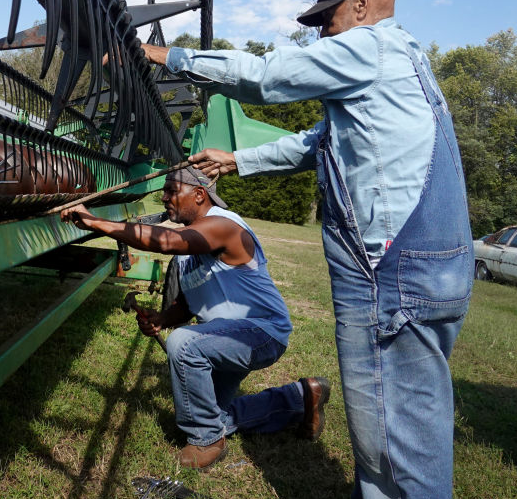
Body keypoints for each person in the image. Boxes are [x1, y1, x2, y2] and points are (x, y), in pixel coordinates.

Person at [141, 0, 473, 499]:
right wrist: (238, 162)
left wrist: (163, 55)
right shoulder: (408, 59)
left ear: (362, 5)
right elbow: (319, 143)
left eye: (326, 19)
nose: (322, 33)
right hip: (430, 270)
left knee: (395, 440)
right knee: (407, 422)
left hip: (392, 278)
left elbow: (266, 76)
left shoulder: (368, 47)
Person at [60, 166, 330, 470]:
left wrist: (97, 223)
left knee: (184, 344)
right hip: (225, 334)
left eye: (171, 191)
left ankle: (206, 440)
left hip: (261, 332)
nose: (163, 198)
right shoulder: (189, 255)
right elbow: (190, 302)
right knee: (217, 415)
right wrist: (162, 318)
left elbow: (166, 241)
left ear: (199, 194)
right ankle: (301, 397)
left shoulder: (224, 227)